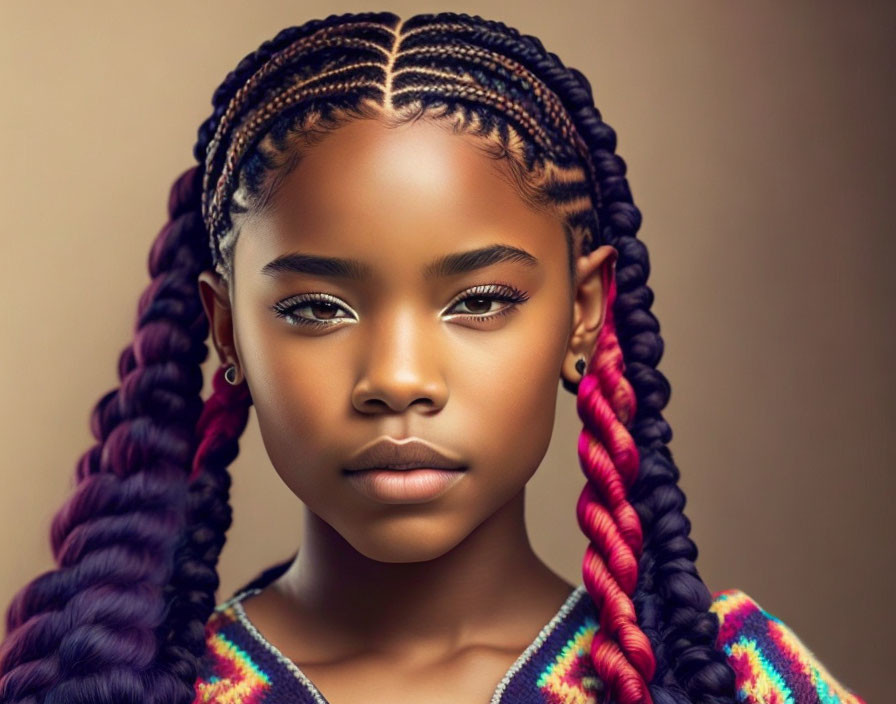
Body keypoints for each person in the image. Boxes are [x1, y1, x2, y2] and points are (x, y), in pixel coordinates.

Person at [0, 11, 867, 704]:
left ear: (583, 315)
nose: (399, 379)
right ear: (226, 331)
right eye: (317, 308)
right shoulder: (112, 686)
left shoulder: (735, 683)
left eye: (479, 302)